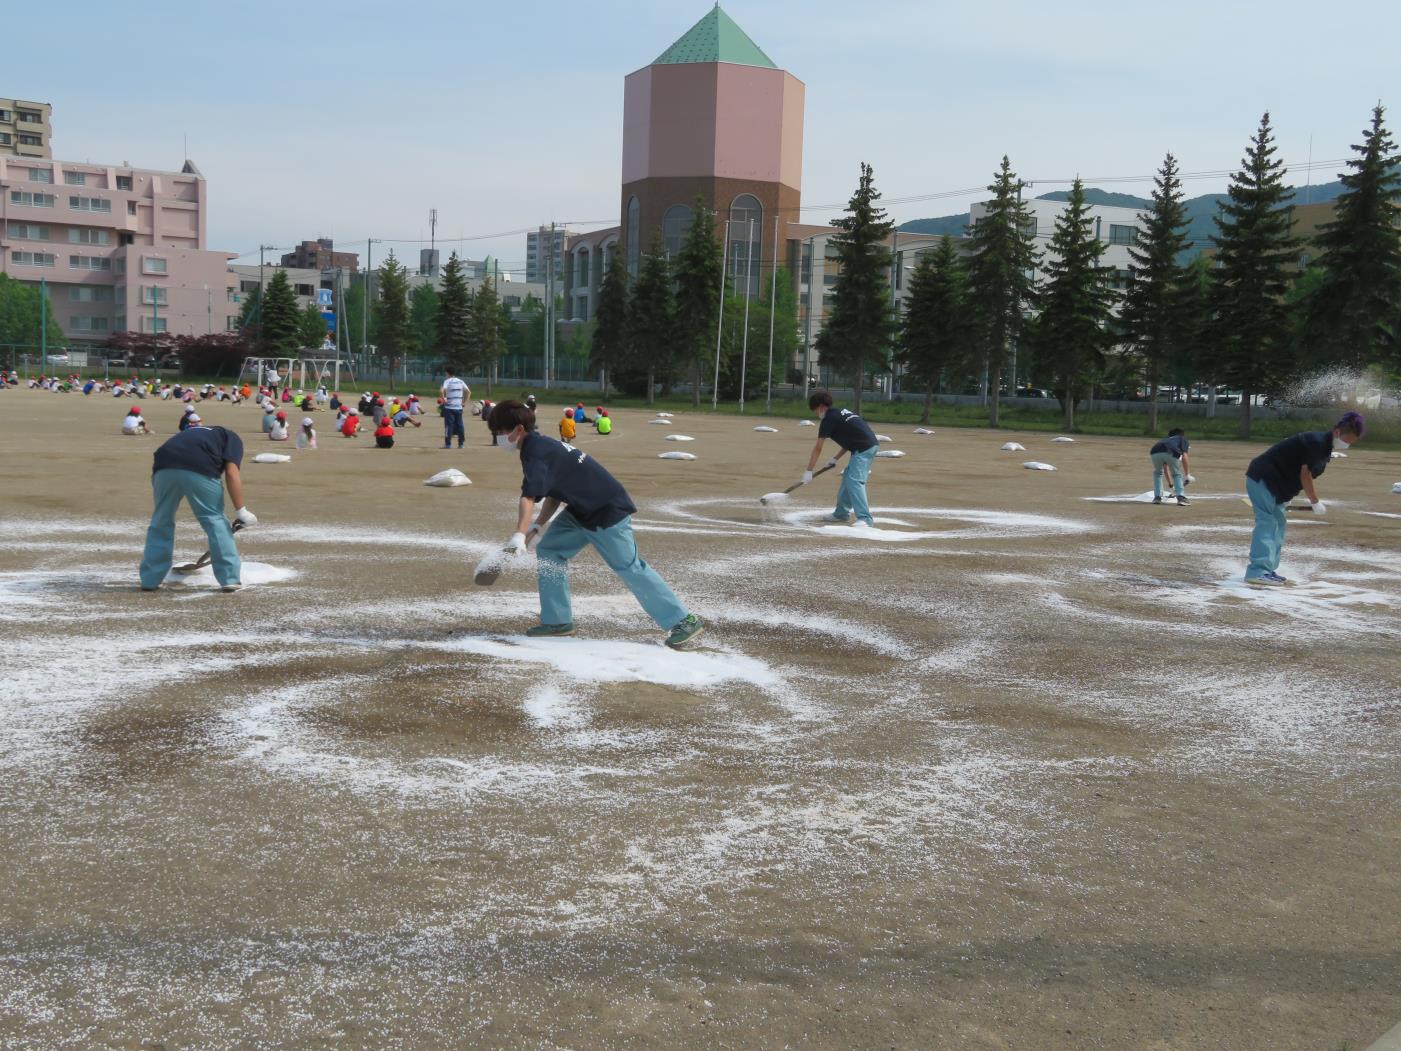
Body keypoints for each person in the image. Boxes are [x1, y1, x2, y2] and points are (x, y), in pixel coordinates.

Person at [489, 400, 704, 649]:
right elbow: (556, 491)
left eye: (501, 432)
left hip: (606, 509)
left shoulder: (535, 451)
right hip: (580, 510)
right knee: (550, 551)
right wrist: (537, 525)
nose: (499, 438)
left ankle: (683, 620)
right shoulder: (540, 445)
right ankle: (557, 621)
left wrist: (518, 534)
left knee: (629, 566)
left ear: (518, 429)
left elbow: (528, 496)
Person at [1243, 412, 1365, 588]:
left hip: (1276, 486)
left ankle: (1268, 570)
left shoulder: (1325, 449)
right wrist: (1314, 501)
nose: (1348, 444)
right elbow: (1305, 474)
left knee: (1278, 523)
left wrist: (1286, 498)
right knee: (1267, 522)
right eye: (1348, 440)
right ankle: (1257, 571)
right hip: (1263, 479)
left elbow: (1294, 471)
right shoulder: (1317, 443)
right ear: (1337, 432)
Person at [139, 418, 256, 593]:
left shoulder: (191, 433)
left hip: (163, 466)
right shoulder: (232, 438)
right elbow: (231, 474)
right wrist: (242, 511)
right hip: (199, 466)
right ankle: (229, 579)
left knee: (161, 520)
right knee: (214, 519)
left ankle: (150, 579)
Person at [801, 390, 879, 526]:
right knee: (848, 478)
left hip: (863, 448)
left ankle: (865, 519)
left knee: (855, 481)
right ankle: (841, 514)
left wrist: (809, 470)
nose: (816, 414)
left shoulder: (828, 420)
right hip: (865, 445)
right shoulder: (840, 412)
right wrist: (835, 458)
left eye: (815, 410)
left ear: (820, 407)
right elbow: (849, 440)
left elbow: (818, 447)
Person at [1150, 427, 1192, 505]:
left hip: (1154, 451)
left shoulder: (1165, 440)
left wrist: (1171, 486)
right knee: (1176, 474)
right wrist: (1187, 474)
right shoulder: (1182, 438)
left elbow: (1165, 468)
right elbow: (1185, 456)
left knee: (1158, 473)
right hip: (1170, 451)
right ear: (1182, 435)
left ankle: (1157, 498)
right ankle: (1181, 498)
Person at [440, 368, 469, 449]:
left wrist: (444, 399)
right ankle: (461, 444)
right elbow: (469, 392)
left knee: (449, 426)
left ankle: (448, 444)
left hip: (449, 407)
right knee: (460, 425)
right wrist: (464, 402)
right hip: (459, 407)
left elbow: (441, 390)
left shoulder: (447, 381)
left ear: (448, 373)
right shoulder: (460, 381)